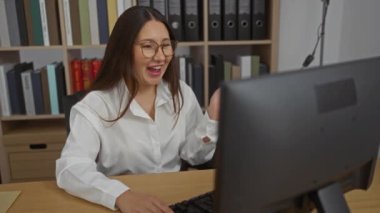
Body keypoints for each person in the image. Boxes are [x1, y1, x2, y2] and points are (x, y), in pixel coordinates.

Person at [56, 6, 220, 213]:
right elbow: (70, 168)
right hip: (122, 206)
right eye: (148, 46)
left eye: (166, 45)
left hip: (176, 198)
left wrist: (212, 117)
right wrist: (121, 196)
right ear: (124, 50)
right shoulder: (94, 106)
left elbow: (193, 155)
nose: (160, 57)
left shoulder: (181, 93)